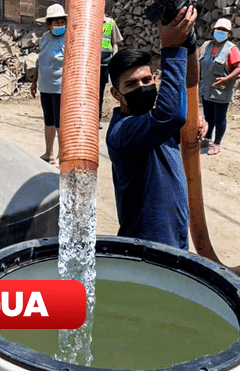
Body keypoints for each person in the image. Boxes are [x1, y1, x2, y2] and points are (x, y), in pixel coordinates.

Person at [106, 6, 205, 250]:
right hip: (146, 250)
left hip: (173, 241)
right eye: (131, 84)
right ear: (116, 94)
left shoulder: (152, 121)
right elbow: (170, 115)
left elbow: (183, 96)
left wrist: (196, 121)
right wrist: (171, 49)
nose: (143, 87)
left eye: (147, 80)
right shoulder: (123, 132)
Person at [30, 4, 67, 166]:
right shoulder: (45, 37)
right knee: (49, 121)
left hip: (61, 88)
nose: (59, 25)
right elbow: (40, 61)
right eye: (55, 22)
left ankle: (62, 156)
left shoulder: (69, 38)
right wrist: (34, 82)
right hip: (45, 87)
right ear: (49, 24)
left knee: (60, 124)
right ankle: (49, 153)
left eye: (61, 22)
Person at [199, 18, 240, 156]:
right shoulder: (205, 46)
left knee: (219, 117)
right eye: (219, 29)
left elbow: (238, 67)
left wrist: (226, 79)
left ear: (229, 33)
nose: (220, 32)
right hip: (206, 88)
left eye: (224, 31)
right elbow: (196, 60)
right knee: (208, 115)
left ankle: (217, 144)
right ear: (214, 30)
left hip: (222, 90)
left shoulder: (232, 49)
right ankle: (207, 138)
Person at [98, 15, 123, 128]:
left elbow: (115, 42)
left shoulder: (110, 22)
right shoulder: (88, 20)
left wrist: (115, 59)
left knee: (100, 92)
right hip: (89, 64)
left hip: (104, 63)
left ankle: (96, 119)